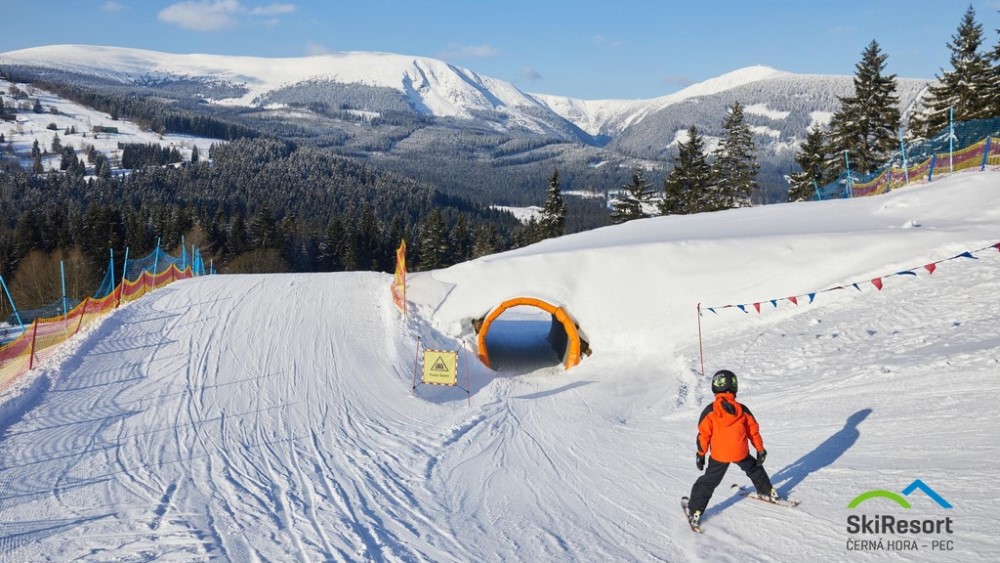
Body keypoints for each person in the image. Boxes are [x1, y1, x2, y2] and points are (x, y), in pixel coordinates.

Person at [686, 369, 780, 527]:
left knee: (708, 482)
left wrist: (700, 455)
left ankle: (695, 510)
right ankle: (767, 492)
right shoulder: (742, 410)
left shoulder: (710, 411)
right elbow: (753, 431)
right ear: (734, 387)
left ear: (715, 387)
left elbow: (703, 436)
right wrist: (760, 449)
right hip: (740, 452)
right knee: (754, 469)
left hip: (719, 455)